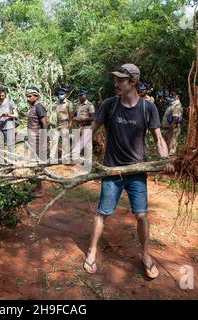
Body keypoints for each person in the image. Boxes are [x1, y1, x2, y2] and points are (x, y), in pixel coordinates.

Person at [84, 63, 174, 280]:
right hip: (112, 171)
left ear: (133, 82)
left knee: (142, 215)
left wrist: (167, 160)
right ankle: (92, 250)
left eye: (121, 80)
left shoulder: (148, 108)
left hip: (137, 172)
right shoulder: (109, 105)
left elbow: (159, 140)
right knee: (103, 212)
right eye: (116, 80)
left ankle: (145, 255)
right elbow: (90, 131)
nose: (116, 84)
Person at [26, 87, 48, 197]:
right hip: (33, 141)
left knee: (38, 164)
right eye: (27, 96)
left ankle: (41, 190)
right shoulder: (33, 107)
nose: (28, 98)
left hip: (39, 140)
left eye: (30, 96)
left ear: (36, 96)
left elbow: (44, 123)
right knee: (35, 164)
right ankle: (37, 186)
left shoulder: (39, 106)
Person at [0, 86, 18, 162]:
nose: (1, 96)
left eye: (3, 94)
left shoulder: (10, 102)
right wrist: (1, 116)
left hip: (10, 127)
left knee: (11, 146)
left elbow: (16, 115)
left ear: (5, 94)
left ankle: (12, 163)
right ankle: (1, 163)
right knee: (0, 147)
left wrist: (9, 115)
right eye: (0, 94)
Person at [71, 89, 95, 165]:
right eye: (79, 95)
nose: (80, 97)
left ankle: (88, 163)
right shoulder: (78, 105)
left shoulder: (89, 105)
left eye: (81, 95)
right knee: (76, 143)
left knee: (87, 146)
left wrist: (84, 119)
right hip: (79, 127)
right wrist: (75, 118)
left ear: (85, 95)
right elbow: (75, 114)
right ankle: (76, 162)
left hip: (87, 127)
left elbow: (93, 118)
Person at [50, 87, 74, 164]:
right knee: (54, 141)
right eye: (60, 94)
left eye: (62, 94)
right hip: (58, 125)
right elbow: (56, 115)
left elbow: (71, 114)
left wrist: (70, 124)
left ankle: (65, 159)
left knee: (65, 142)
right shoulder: (57, 103)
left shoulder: (68, 103)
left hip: (65, 124)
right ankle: (52, 158)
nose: (60, 95)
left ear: (66, 94)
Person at [161, 91, 183, 156]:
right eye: (171, 95)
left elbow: (175, 119)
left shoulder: (177, 105)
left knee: (171, 150)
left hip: (172, 129)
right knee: (168, 147)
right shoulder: (173, 104)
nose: (171, 96)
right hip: (169, 128)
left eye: (173, 95)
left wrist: (170, 130)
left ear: (178, 96)